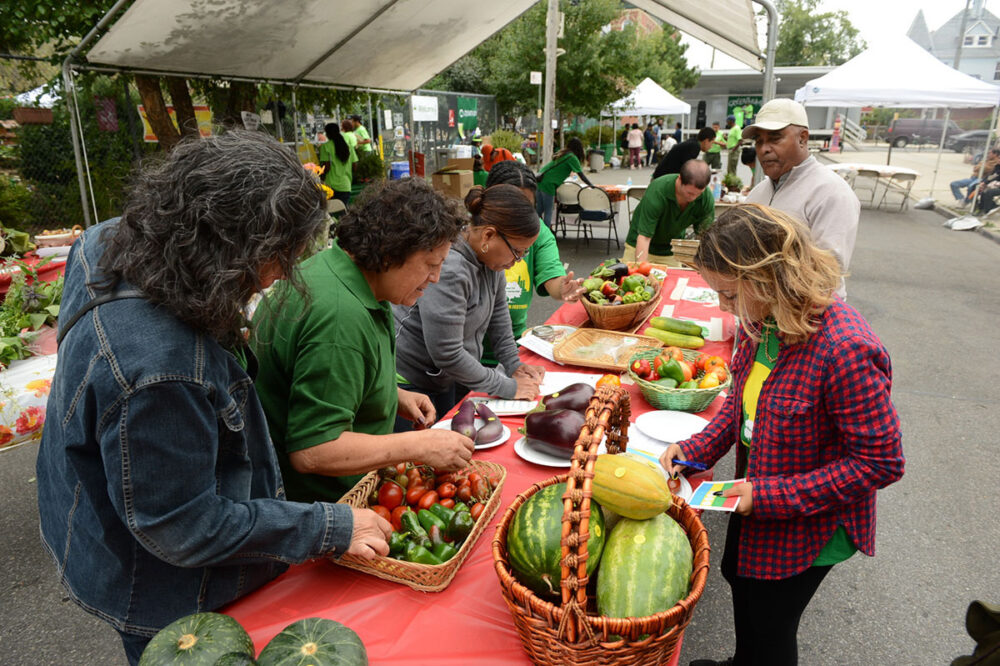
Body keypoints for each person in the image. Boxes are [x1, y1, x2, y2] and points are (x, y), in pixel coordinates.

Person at [35, 131, 392, 665]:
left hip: (89, 508)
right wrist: (327, 525)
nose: (282, 276)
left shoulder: (110, 239)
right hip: (156, 583)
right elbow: (182, 525)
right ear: (234, 250)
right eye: (282, 258)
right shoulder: (162, 372)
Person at [662, 204, 904, 666]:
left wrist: (766, 495)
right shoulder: (763, 322)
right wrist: (693, 451)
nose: (723, 308)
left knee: (772, 625)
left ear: (768, 277)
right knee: (741, 580)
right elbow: (740, 406)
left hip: (809, 526)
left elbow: (880, 462)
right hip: (760, 496)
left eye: (729, 295)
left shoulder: (845, 348)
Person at [252, 179, 475, 503]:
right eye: (431, 264)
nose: (436, 278)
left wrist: (389, 393)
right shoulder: (341, 318)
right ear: (391, 251)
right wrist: (418, 446)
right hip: (324, 505)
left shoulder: (339, 270)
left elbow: (322, 377)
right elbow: (313, 450)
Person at [394, 184, 546, 418]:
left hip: (445, 377)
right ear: (488, 235)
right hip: (411, 381)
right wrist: (508, 386)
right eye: (518, 252)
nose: (518, 260)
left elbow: (499, 319)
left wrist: (515, 366)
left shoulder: (490, 262)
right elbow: (447, 352)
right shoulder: (451, 267)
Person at [742, 98, 860, 298]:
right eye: (759, 141)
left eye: (774, 138)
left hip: (808, 316)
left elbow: (827, 272)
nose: (764, 149)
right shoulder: (759, 192)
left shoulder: (831, 192)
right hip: (763, 309)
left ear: (803, 138)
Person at [480, 161, 585, 365]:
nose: (518, 218)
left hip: (511, 348)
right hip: (465, 356)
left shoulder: (538, 233)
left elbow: (551, 276)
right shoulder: (473, 238)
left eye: (525, 208)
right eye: (511, 207)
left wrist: (562, 287)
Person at [624, 159, 714, 266]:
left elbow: (704, 236)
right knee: (634, 279)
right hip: (639, 245)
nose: (693, 198)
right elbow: (644, 236)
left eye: (698, 193)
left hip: (670, 249)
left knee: (675, 281)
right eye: (689, 193)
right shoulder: (658, 191)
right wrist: (642, 269)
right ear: (680, 179)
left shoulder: (706, 198)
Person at [535, 137, 593, 230]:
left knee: (539, 210)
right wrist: (592, 185)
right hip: (549, 184)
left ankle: (533, 233)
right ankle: (545, 237)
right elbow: (581, 175)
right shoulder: (572, 157)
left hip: (540, 180)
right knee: (548, 211)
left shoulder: (562, 154)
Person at [651, 126, 717, 181]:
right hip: (661, 180)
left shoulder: (693, 143)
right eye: (712, 143)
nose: (711, 146)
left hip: (661, 177)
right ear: (706, 140)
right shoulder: (694, 146)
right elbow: (687, 170)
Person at [319, 122, 358, 206]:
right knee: (343, 213)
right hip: (345, 185)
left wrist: (320, 176)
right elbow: (355, 166)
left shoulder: (325, 147)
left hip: (330, 186)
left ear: (327, 133)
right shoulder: (348, 147)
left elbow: (327, 167)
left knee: (331, 213)